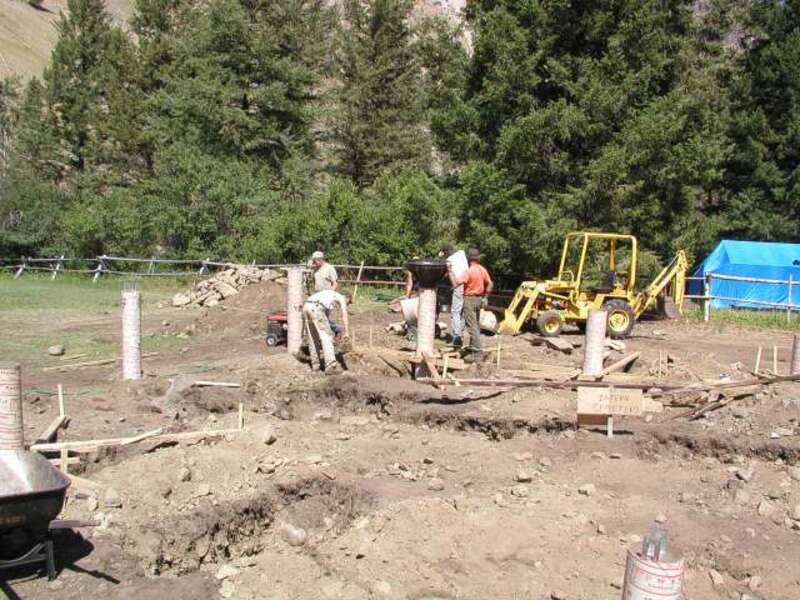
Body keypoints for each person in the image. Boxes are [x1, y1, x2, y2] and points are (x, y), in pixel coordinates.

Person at [452, 248, 493, 362]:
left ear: (469, 259)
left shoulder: (468, 271)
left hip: (469, 300)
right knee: (476, 326)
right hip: (479, 299)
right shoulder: (482, 270)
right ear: (478, 258)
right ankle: (472, 349)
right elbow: (490, 283)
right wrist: (485, 297)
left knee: (472, 327)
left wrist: (450, 271)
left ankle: (477, 353)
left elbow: (455, 283)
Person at [303, 289, 351, 374]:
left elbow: (325, 321)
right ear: (347, 298)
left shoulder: (328, 297)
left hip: (307, 307)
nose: (348, 304)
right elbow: (344, 316)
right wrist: (346, 332)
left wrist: (334, 329)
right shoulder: (341, 297)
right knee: (327, 336)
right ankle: (331, 366)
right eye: (349, 302)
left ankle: (315, 365)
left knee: (313, 337)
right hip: (316, 308)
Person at [443, 244, 467, 348]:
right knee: (462, 311)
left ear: (446, 252)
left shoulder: (449, 260)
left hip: (459, 285)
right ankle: (461, 333)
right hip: (468, 284)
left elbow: (450, 275)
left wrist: (454, 286)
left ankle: (457, 337)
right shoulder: (461, 253)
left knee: (455, 312)